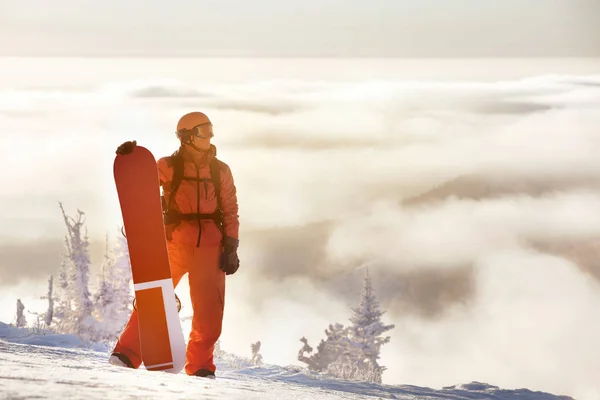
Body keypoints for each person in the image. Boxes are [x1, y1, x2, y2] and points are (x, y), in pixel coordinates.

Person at [109, 111, 240, 378]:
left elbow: (230, 209)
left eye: (211, 129)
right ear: (187, 137)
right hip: (175, 244)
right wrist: (129, 158)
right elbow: (140, 184)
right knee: (153, 301)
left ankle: (201, 366)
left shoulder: (221, 170)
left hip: (211, 248)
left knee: (210, 315)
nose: (210, 136)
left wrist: (231, 246)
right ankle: (127, 354)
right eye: (204, 131)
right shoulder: (168, 166)